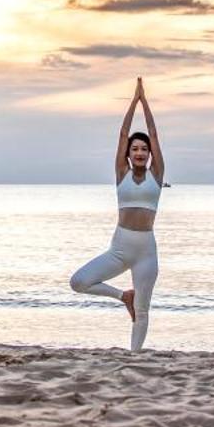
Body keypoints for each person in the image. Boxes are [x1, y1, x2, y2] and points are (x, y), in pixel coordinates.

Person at [69, 77, 164, 349]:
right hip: (120, 248)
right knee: (79, 282)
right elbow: (122, 135)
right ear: (128, 153)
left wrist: (145, 103)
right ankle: (124, 297)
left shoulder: (156, 175)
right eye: (135, 149)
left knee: (144, 311)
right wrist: (133, 101)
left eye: (144, 150)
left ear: (149, 155)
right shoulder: (121, 173)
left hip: (146, 251)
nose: (140, 152)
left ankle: (134, 355)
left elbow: (154, 135)